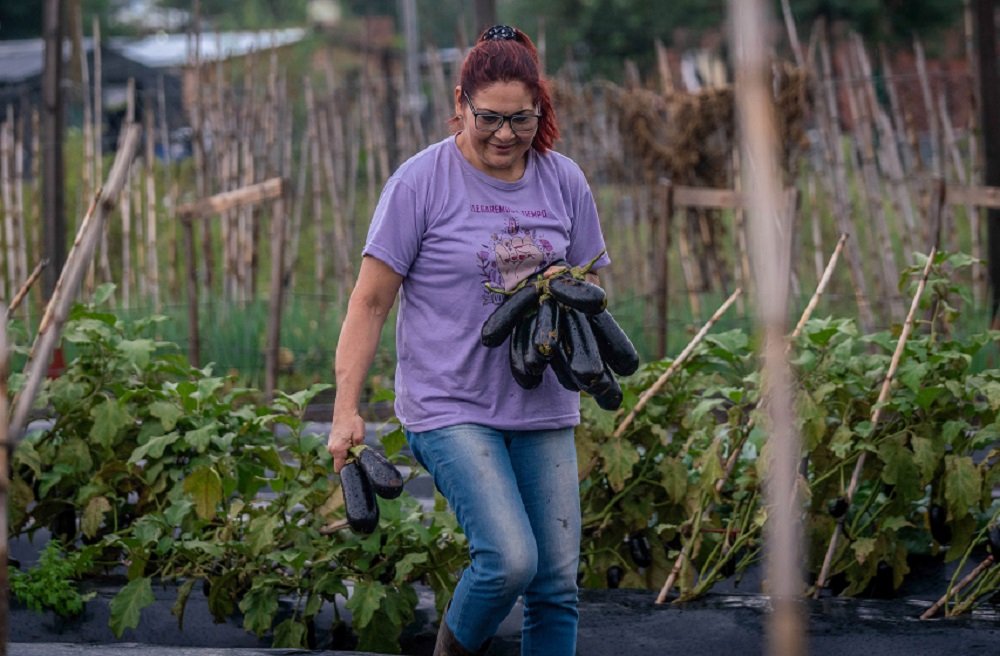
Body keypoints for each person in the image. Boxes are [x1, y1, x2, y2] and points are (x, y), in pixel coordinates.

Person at [327, 24, 610, 656]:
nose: (506, 135)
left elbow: (592, 283)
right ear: (460, 103)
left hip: (543, 406)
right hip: (449, 405)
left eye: (522, 119)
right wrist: (345, 411)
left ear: (540, 110)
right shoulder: (420, 183)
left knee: (556, 584)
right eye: (490, 118)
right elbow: (369, 303)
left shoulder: (564, 181)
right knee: (509, 559)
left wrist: (559, 292)